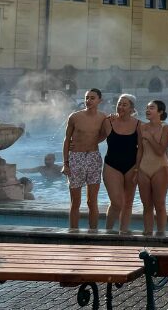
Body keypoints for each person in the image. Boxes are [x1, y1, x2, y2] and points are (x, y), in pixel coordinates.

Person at [62, 88, 108, 230]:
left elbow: (105, 134)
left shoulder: (103, 118)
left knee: (92, 201)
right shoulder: (75, 117)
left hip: (94, 157)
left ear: (99, 100)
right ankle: (73, 232)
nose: (88, 101)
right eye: (87, 98)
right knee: (75, 202)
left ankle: (93, 232)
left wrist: (93, 142)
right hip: (76, 157)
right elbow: (66, 140)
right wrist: (66, 163)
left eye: (92, 98)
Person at [102, 94, 140, 233]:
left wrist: (138, 169)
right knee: (117, 203)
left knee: (128, 202)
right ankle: (108, 232)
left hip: (131, 165)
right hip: (112, 165)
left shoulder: (138, 124)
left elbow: (141, 148)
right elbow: (96, 137)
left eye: (124, 104)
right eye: (119, 104)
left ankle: (123, 232)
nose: (120, 107)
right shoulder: (108, 121)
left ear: (132, 108)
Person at [137, 100, 168, 235]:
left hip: (160, 168)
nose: (147, 110)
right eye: (146, 107)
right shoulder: (142, 127)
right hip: (143, 168)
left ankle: (161, 234)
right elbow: (140, 149)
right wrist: (136, 169)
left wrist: (150, 138)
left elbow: (161, 151)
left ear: (160, 112)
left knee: (159, 204)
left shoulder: (166, 128)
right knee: (146, 206)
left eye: (151, 108)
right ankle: (147, 234)